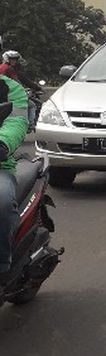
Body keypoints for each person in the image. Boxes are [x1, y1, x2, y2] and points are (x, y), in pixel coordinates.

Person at [0, 75, 29, 283]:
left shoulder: (9, 88)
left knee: (1, 201)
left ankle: (2, 265)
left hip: (0, 165)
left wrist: (3, 144)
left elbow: (16, 123)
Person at [0, 50, 42, 127]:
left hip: (3, 95)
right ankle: (30, 124)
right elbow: (17, 83)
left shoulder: (1, 67)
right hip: (10, 95)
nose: (14, 61)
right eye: (12, 59)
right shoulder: (9, 69)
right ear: (7, 59)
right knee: (32, 105)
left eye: (15, 59)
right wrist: (23, 90)